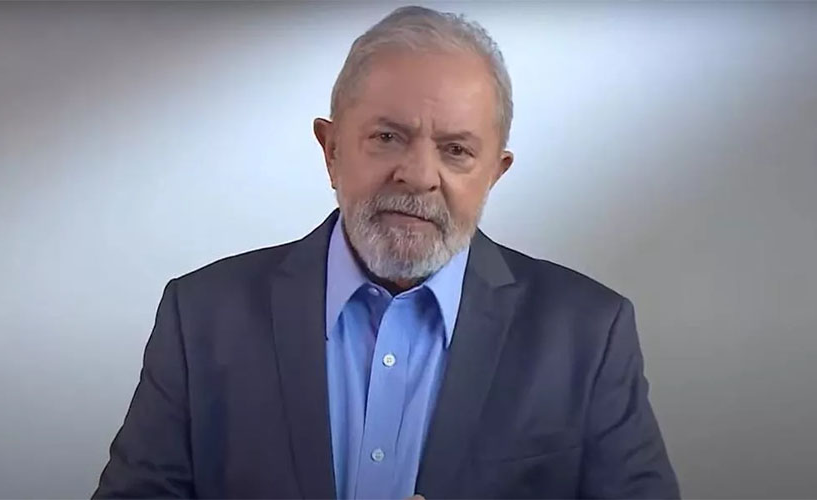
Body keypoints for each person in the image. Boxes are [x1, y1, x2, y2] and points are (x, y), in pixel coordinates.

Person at [94, 5, 680, 499]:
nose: (418, 175)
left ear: (494, 174)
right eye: (387, 137)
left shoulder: (588, 333)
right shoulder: (201, 316)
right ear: (330, 149)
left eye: (456, 150)